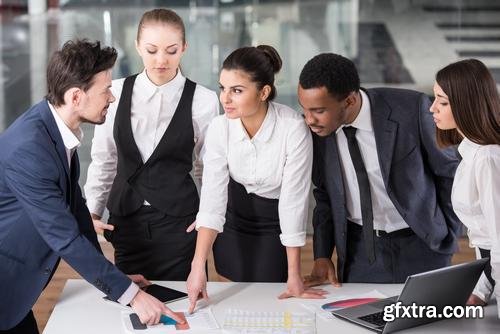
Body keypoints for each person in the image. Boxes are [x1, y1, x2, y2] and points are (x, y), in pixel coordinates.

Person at [0, 39, 184, 333]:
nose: (111, 98)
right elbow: (65, 236)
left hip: (15, 289)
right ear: (75, 97)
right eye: (105, 90)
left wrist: (115, 279)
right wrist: (133, 297)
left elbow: (76, 213)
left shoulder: (54, 127)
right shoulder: (29, 149)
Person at [297, 53, 461, 286]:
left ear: (350, 101)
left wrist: (449, 235)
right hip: (359, 253)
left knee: (429, 322)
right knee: (357, 321)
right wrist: (322, 255)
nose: (309, 119)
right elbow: (324, 194)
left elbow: (449, 174)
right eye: (304, 109)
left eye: (318, 110)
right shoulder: (317, 133)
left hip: (423, 245)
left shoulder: (412, 109)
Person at [186, 45, 327, 312]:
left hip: (275, 222)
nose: (225, 99)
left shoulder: (292, 128)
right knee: (234, 295)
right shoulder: (219, 128)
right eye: (222, 88)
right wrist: (197, 267)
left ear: (264, 92)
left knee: (271, 299)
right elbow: (213, 197)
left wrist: (295, 276)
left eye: (236, 90)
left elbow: (293, 203)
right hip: (233, 217)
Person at [84, 8, 219, 281]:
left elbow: (210, 168)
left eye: (171, 50)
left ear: (184, 48)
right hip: (126, 222)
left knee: (187, 309)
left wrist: (209, 215)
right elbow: (105, 160)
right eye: (151, 50)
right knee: (131, 307)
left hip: (181, 225)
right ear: (137, 47)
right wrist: (92, 211)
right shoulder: (116, 92)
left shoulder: (204, 100)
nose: (161, 60)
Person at [430, 58, 500, 317]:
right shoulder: (472, 153)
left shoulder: (487, 158)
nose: (432, 108)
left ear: (465, 105)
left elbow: (499, 240)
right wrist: (481, 290)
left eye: (442, 102)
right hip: (489, 271)